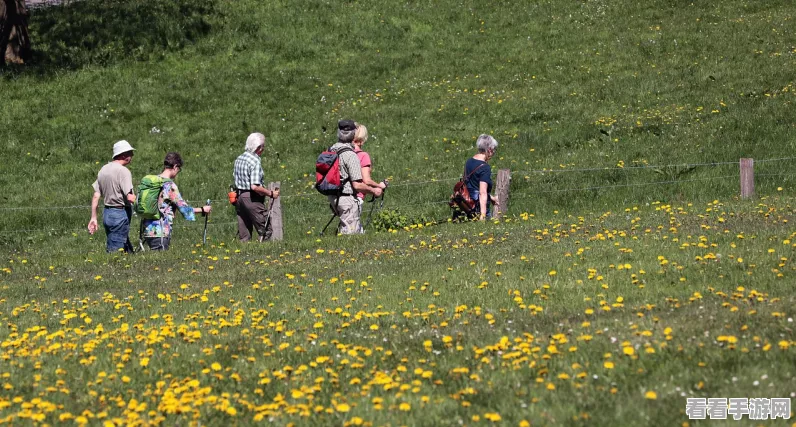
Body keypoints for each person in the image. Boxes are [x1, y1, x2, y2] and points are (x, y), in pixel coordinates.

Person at [140, 153, 212, 251]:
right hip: (161, 231)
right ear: (175, 167)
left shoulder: (153, 182)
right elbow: (184, 210)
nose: (178, 172)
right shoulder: (169, 185)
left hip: (147, 229)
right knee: (160, 263)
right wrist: (203, 209)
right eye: (179, 169)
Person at [327, 119, 382, 234]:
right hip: (347, 198)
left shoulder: (331, 150)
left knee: (346, 230)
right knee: (351, 236)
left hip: (333, 196)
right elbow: (357, 185)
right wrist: (374, 191)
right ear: (353, 135)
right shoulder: (351, 155)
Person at [87, 140, 137, 253]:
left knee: (123, 245)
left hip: (107, 213)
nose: (132, 156)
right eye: (130, 153)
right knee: (115, 251)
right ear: (123, 155)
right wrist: (144, 205)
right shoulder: (123, 171)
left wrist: (93, 218)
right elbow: (129, 197)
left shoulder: (103, 169)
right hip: (120, 212)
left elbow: (96, 195)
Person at [233, 132, 280, 242]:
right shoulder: (255, 161)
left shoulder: (239, 158)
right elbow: (255, 187)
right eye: (263, 146)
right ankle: (264, 254)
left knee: (244, 235)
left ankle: (243, 254)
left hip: (238, 198)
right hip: (251, 199)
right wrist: (271, 193)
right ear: (259, 147)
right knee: (265, 230)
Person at [352, 123, 387, 231]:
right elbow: (366, 180)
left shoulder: (343, 153)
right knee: (354, 231)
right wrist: (379, 186)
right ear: (362, 140)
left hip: (339, 197)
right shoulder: (362, 155)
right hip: (356, 197)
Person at [464, 134, 500, 220]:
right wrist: (483, 215)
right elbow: (482, 192)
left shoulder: (469, 161)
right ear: (489, 150)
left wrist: (491, 198)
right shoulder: (484, 167)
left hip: (467, 205)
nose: (493, 153)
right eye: (494, 150)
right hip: (479, 208)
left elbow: (472, 186)